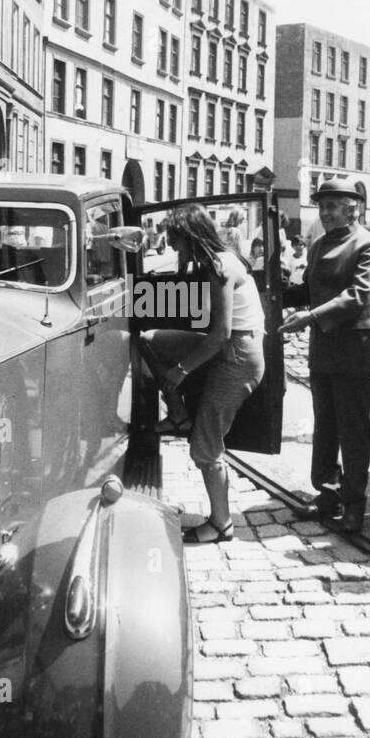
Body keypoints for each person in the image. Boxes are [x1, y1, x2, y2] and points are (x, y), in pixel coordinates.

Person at [145, 204, 266, 545]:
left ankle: (221, 524)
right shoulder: (216, 260)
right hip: (231, 348)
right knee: (150, 342)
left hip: (238, 356)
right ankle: (179, 416)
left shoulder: (220, 266)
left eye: (176, 241)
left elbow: (220, 335)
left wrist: (182, 370)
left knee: (205, 447)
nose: (173, 248)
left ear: (191, 237)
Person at [282, 177, 370, 534]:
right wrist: (269, 288)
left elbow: (358, 295)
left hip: (355, 352)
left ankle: (355, 504)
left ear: (352, 207)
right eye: (322, 206)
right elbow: (309, 290)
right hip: (324, 349)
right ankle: (328, 494)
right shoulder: (318, 245)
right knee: (325, 426)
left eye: (333, 206)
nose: (325, 213)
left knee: (353, 429)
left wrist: (309, 317)